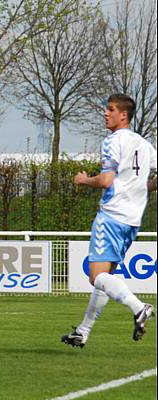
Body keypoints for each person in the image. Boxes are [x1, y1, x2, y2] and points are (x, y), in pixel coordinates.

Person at [61, 93, 157, 348]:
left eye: (110, 109)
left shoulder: (113, 141)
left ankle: (139, 308)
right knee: (105, 279)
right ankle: (83, 331)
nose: (106, 113)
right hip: (132, 221)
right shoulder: (143, 144)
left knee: (96, 277)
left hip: (112, 216)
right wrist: (141, 187)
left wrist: (83, 180)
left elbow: (106, 181)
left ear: (123, 115)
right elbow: (145, 179)